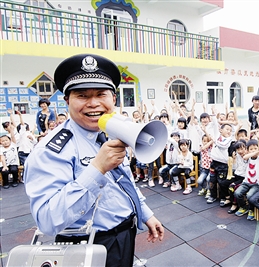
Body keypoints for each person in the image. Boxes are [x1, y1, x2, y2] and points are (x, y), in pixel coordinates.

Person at [24, 54, 164, 267]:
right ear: (67, 100)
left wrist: (146, 214)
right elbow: (46, 220)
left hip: (125, 235)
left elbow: (123, 182)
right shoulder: (50, 151)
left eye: (101, 94)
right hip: (84, 244)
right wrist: (97, 169)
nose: (94, 103)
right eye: (82, 95)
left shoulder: (110, 131)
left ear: (113, 99)